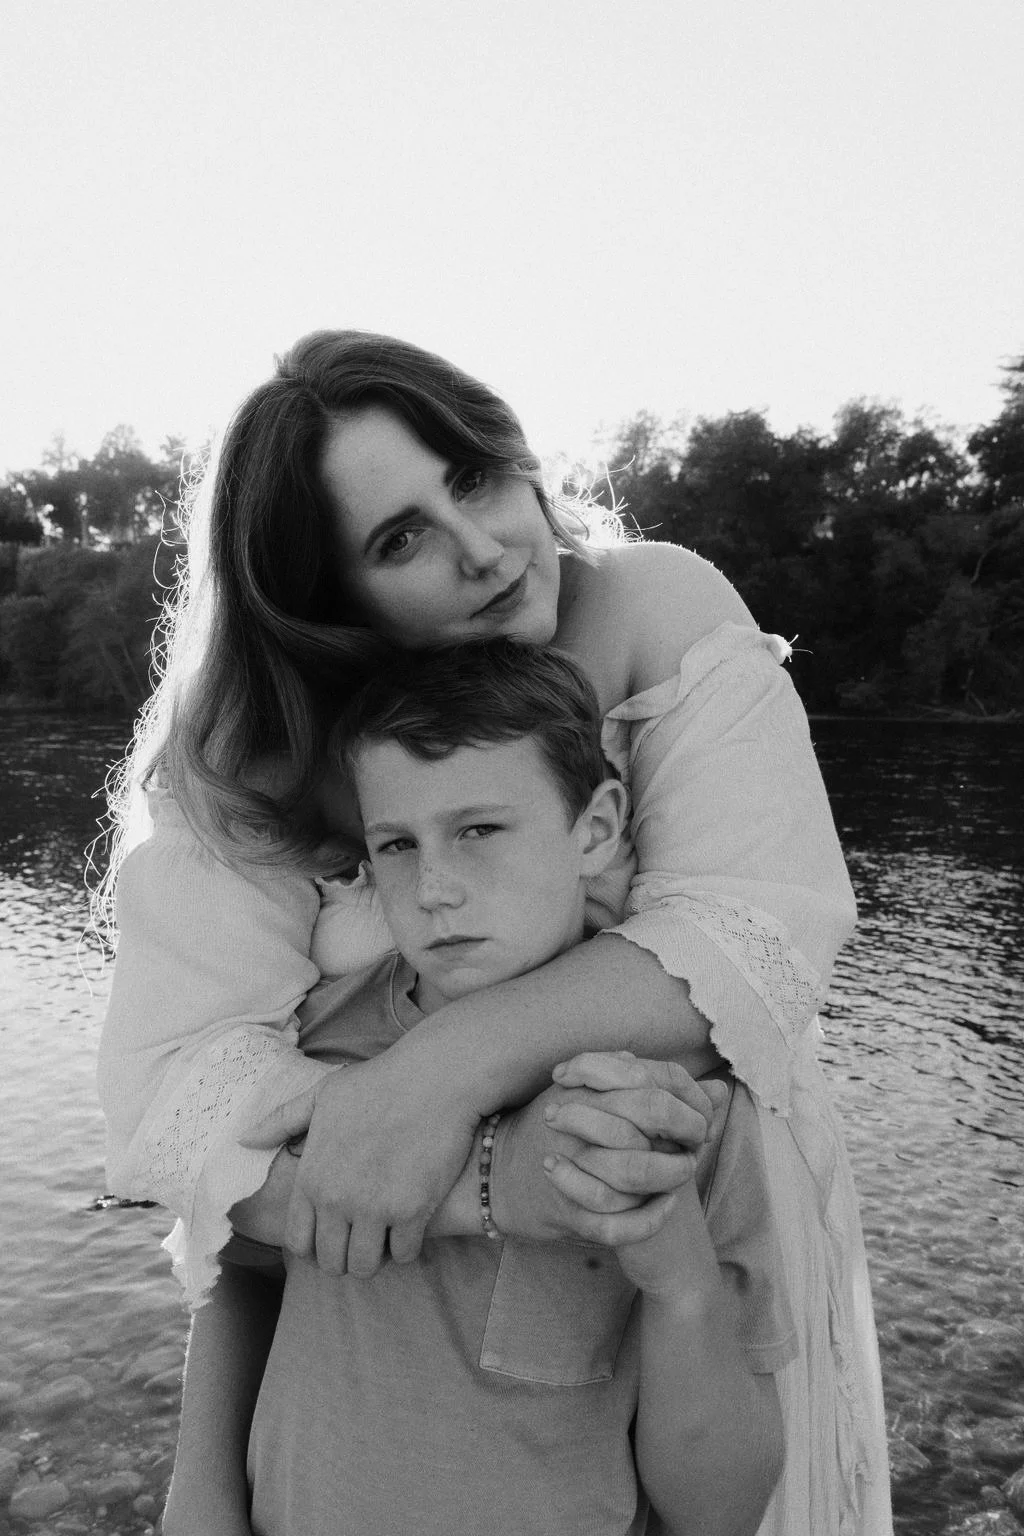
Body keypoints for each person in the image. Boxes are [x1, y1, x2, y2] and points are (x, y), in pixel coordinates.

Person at [97, 329, 893, 1535]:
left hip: (652, 1267)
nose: (483, 550)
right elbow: (184, 1116)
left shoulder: (655, 603)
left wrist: (435, 1078)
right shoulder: (254, 749)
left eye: (471, 476)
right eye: (398, 538)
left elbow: (757, 929)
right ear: (328, 597)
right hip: (362, 1363)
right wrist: (203, 1486)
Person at [174, 639, 793, 1536]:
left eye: (479, 830)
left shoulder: (683, 1105)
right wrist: (203, 1501)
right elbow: (238, 1275)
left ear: (597, 826)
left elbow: (720, 1512)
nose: (433, 889)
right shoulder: (311, 1046)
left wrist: (682, 1283)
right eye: (395, 844)